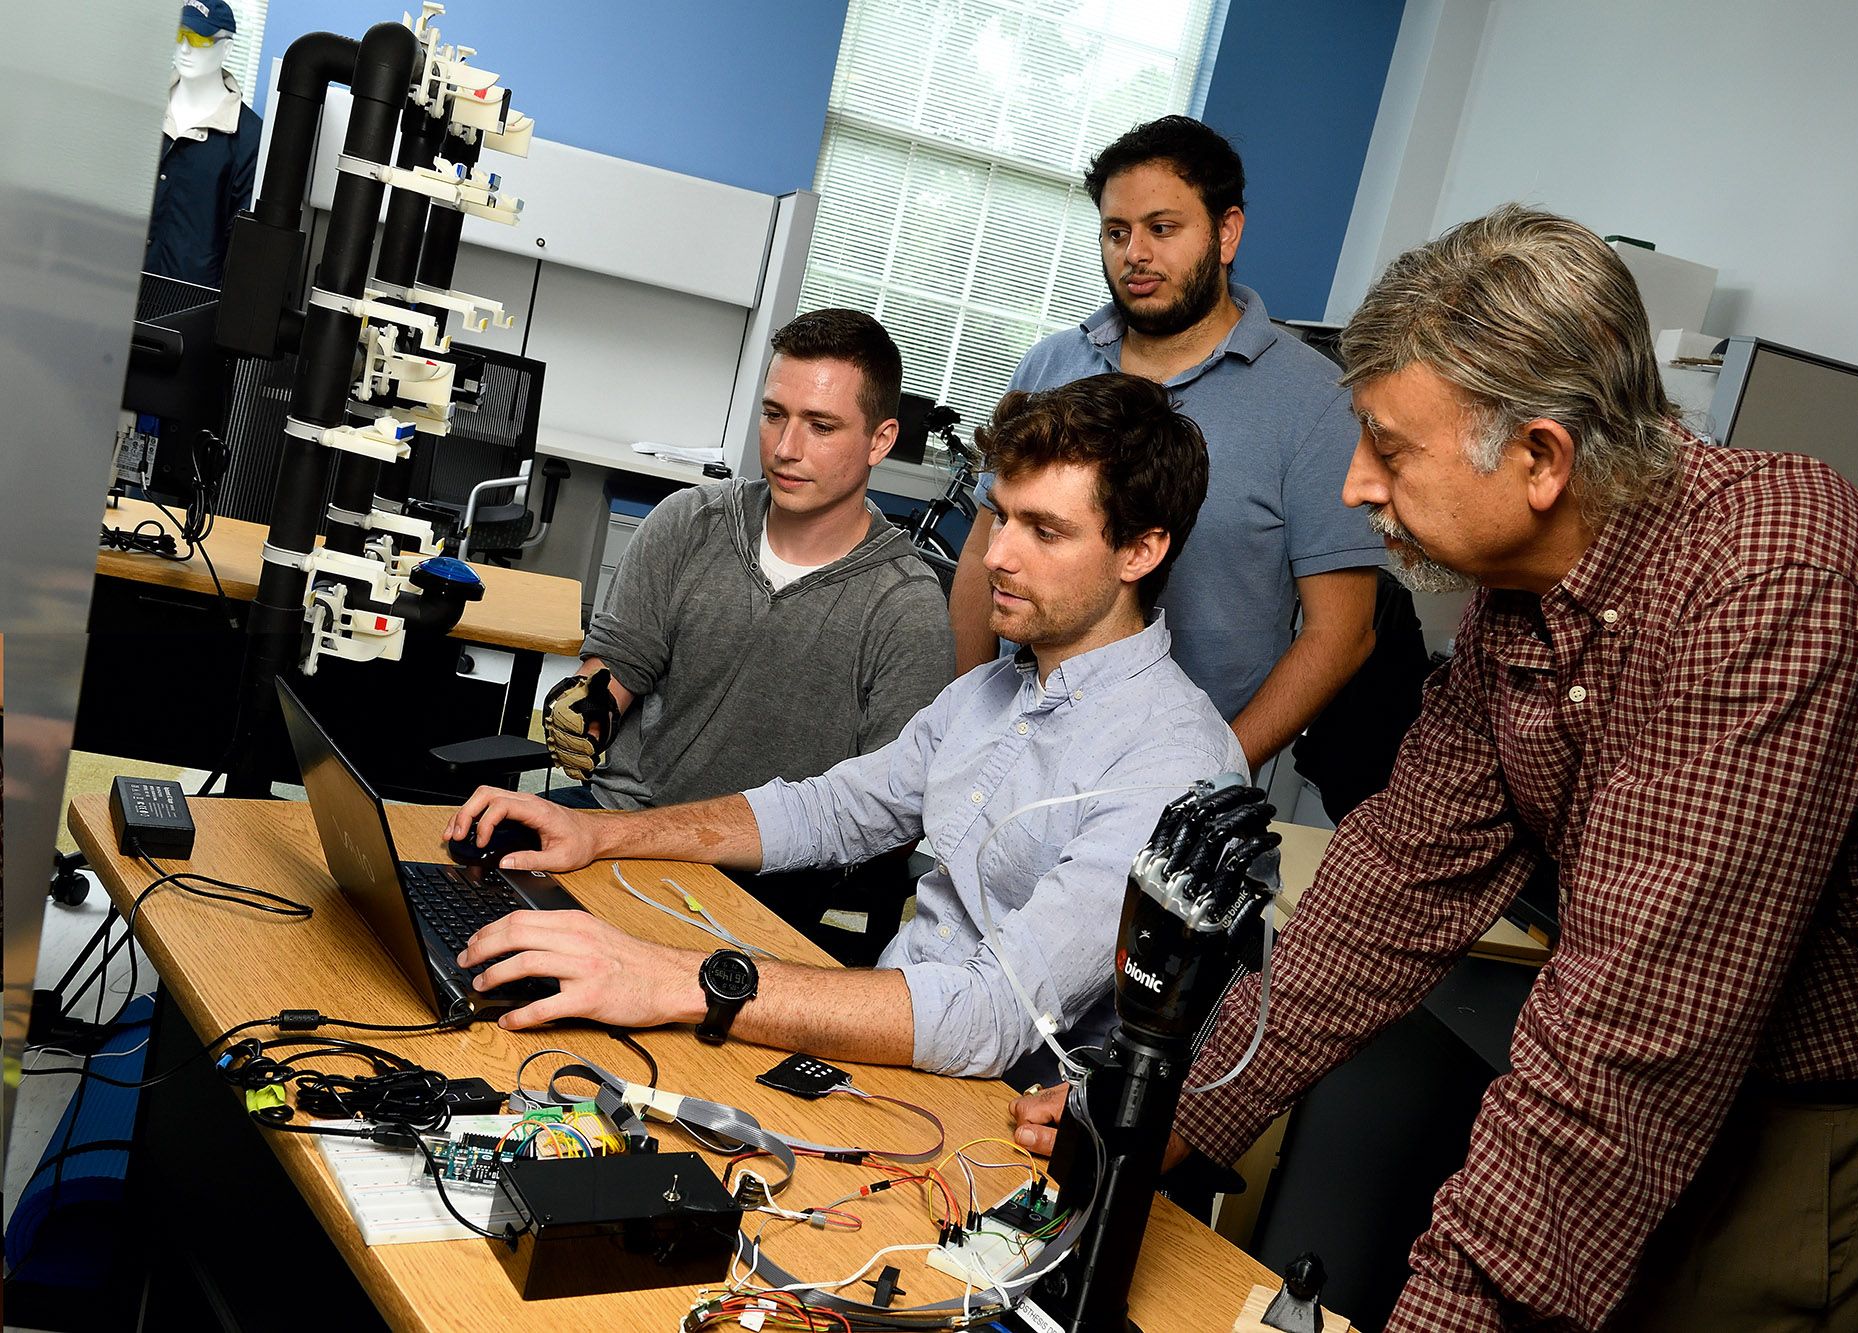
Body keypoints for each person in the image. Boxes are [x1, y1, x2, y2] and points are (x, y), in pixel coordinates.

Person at [1013, 206, 1858, 1331]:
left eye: (1388, 446)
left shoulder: (1777, 591)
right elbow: (1389, 888)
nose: (1353, 486)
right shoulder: (1524, 592)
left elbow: (1620, 1056)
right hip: (1668, 1069)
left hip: (1824, 1123)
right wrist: (1163, 1110)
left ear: (1538, 458)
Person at [451, 373, 1245, 1084]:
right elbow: (827, 809)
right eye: (999, 516)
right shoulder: (995, 691)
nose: (997, 555)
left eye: (1044, 531)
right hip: (886, 1060)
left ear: (1141, 550)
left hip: (983, 1116)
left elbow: (989, 1016)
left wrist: (673, 978)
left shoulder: (1173, 766)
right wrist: (601, 834)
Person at [946, 116, 1383, 771]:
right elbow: (985, 550)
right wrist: (966, 723)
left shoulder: (1319, 403)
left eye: (1162, 228)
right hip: (1016, 756)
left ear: (1226, 231)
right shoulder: (1050, 367)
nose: (1135, 255)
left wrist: (1208, 779)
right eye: (1116, 232)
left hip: (1180, 783)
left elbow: (1341, 634)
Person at [538, 308, 954, 959]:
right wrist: (585, 707)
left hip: (769, 886)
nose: (786, 448)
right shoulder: (687, 523)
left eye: (821, 426)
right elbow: (615, 668)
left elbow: (890, 816)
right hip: (621, 829)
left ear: (880, 439)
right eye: (773, 414)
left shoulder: (906, 608)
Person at [148, 2, 263, 286]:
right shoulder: (143, 106)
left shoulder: (248, 136)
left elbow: (242, 244)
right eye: (180, 34)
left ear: (226, 49)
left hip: (185, 308)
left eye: (199, 38)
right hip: (113, 289)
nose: (185, 49)